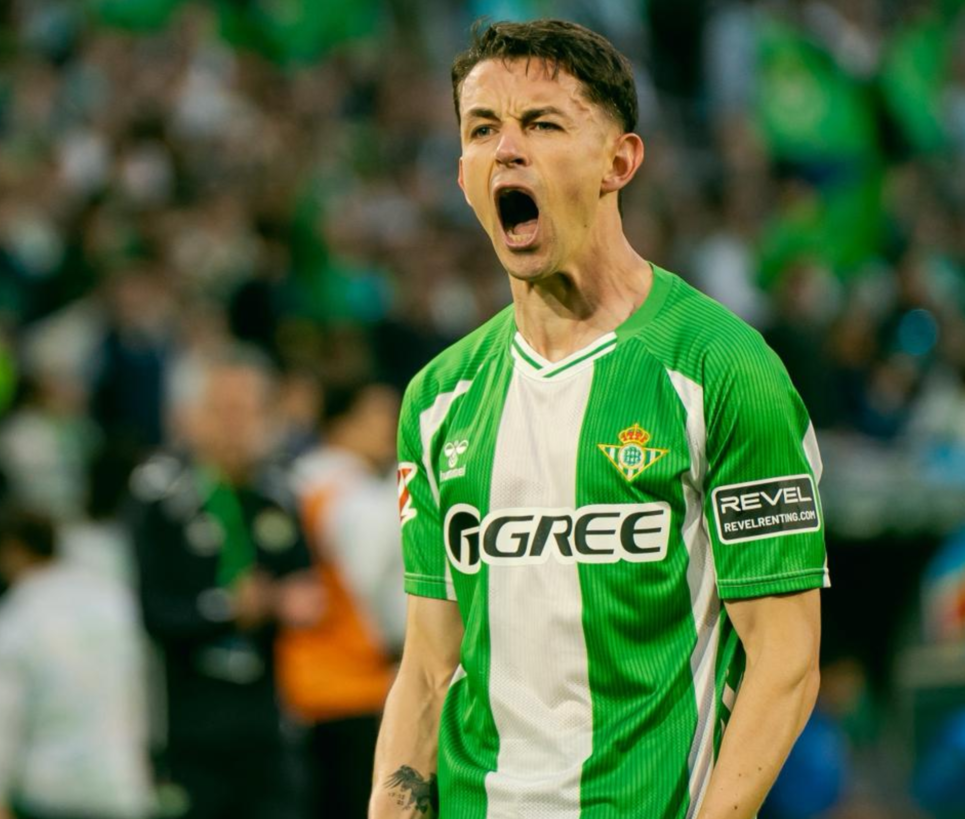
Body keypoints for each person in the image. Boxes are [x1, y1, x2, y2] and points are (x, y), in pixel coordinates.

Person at [369, 19, 828, 819]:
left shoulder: (723, 369)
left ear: (619, 161)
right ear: (462, 175)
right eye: (482, 130)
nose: (507, 151)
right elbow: (429, 668)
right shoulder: (437, 399)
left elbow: (785, 660)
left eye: (542, 124)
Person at [130, 348, 321, 819]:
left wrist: (292, 602)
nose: (237, 425)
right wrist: (227, 609)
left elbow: (305, 591)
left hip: (268, 725)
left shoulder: (279, 494)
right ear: (194, 416)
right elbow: (151, 611)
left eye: (249, 411)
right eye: (223, 410)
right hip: (187, 727)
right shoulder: (161, 496)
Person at [0, 508, 152, 819]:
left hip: (49, 794)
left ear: (10, 551)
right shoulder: (114, 602)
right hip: (121, 786)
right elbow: (144, 689)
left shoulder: (10, 624)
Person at [278, 380, 405, 819]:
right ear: (340, 423)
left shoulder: (297, 480)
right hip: (351, 677)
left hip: (305, 678)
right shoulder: (352, 492)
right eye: (377, 414)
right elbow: (369, 585)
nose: (391, 426)